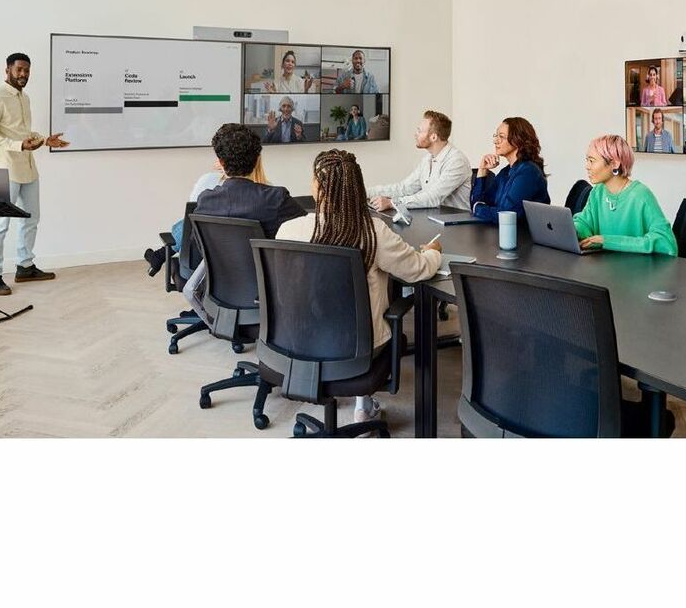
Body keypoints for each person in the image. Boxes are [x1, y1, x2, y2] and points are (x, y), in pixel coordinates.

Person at [277, 149, 442, 427]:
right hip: (358, 350)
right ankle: (362, 407)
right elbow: (418, 269)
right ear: (356, 188)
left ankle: (362, 406)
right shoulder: (371, 231)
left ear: (316, 187)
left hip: (298, 338)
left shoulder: (289, 230)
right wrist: (433, 251)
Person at [183, 124, 306, 322]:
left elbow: (197, 247)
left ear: (221, 162)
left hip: (220, 294)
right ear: (257, 160)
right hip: (269, 296)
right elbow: (308, 233)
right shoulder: (275, 198)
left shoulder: (206, 200)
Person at [0, 52, 70, 296]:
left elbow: (22, 133)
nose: (23, 74)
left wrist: (44, 140)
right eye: (19, 69)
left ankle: (25, 267)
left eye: (27, 70)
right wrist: (18, 145)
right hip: (4, 170)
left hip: (28, 169)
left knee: (31, 219)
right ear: (7, 70)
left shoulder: (24, 98)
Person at [144, 155, 271, 274]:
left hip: (204, 265)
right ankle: (160, 255)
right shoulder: (270, 195)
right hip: (253, 269)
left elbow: (192, 216)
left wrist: (226, 172)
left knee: (189, 221)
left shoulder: (210, 182)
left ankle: (160, 255)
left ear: (223, 161)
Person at [573, 135, 678, 255]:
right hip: (604, 265)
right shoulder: (597, 192)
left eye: (592, 161)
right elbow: (584, 223)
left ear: (614, 164)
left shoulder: (641, 195)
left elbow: (666, 243)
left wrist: (607, 241)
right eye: (587, 160)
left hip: (635, 266)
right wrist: (573, 229)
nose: (587, 166)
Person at [367, 110, 472, 210]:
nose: (415, 134)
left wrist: (392, 203)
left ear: (433, 137)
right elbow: (404, 188)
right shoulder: (427, 159)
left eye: (419, 131)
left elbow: (433, 198)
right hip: (434, 216)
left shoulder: (456, 161)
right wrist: (366, 192)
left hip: (458, 221)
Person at [470, 116, 550, 223]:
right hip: (503, 231)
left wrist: (478, 209)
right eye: (496, 136)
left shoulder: (528, 172)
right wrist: (482, 170)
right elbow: (478, 202)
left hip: (523, 233)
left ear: (517, 140)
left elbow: (507, 216)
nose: (495, 141)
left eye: (501, 137)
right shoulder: (505, 172)